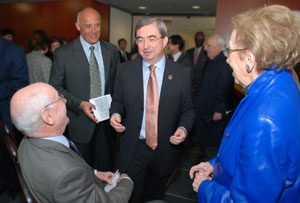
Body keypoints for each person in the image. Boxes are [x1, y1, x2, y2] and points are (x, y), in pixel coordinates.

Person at [189, 5, 300, 202]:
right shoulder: (282, 83)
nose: (227, 59)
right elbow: (249, 156)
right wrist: (215, 165)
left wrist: (205, 187)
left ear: (249, 58)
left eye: (230, 50)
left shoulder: (264, 119)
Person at [110, 17, 195, 202]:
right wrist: (115, 114)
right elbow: (118, 101)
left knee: (155, 196)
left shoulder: (182, 74)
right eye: (140, 39)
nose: (145, 45)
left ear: (165, 41)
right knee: (132, 196)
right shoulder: (124, 70)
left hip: (165, 149)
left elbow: (188, 109)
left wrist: (183, 128)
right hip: (134, 148)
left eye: (151, 38)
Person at [10, 82, 133, 203]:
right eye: (59, 98)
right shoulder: (67, 175)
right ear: (48, 116)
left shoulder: (25, 144)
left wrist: (94, 173)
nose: (65, 101)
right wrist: (125, 182)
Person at [49, 7, 120, 171]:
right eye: (88, 26)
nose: (94, 31)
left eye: (98, 25)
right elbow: (55, 88)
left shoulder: (112, 51)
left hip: (106, 123)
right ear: (78, 26)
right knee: (82, 171)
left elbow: (117, 84)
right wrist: (79, 104)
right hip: (78, 122)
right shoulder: (63, 54)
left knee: (106, 169)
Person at [192, 34, 234, 157]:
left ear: (219, 47)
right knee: (206, 145)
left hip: (213, 114)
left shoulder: (224, 64)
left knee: (212, 148)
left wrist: (219, 110)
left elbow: (224, 89)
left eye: (209, 45)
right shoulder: (212, 61)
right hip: (206, 111)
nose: (205, 48)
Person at [0, 36, 28, 203]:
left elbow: (20, 82)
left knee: (7, 160)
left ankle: (12, 191)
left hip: (5, 117)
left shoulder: (13, 50)